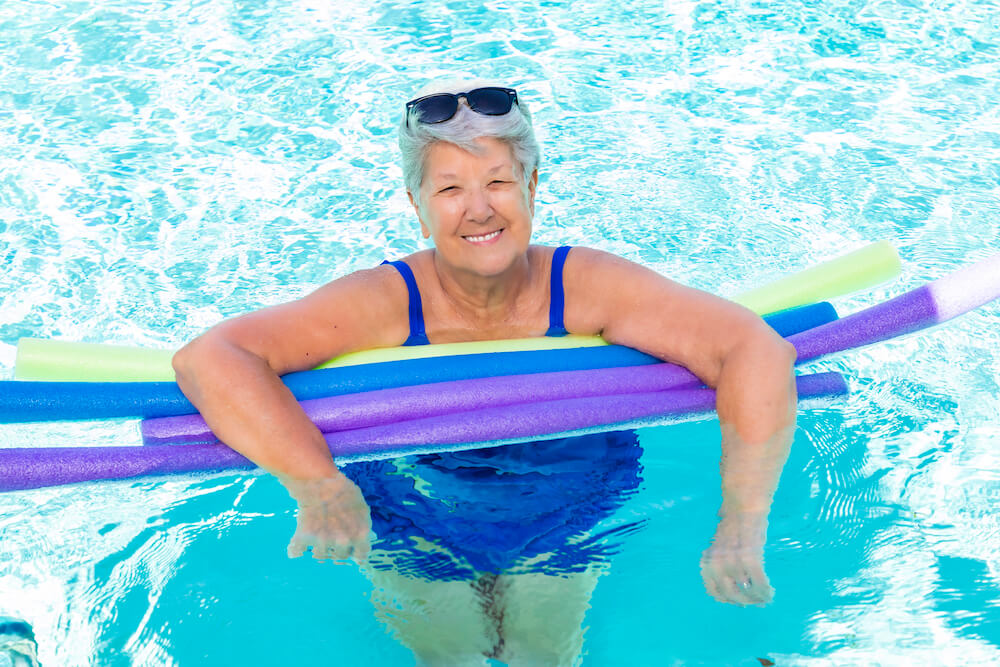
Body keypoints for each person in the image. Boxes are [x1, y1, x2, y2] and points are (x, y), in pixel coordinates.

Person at [172, 77, 797, 660]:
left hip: (565, 498)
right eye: (449, 189)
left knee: (541, 657)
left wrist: (740, 525)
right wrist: (319, 485)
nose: (479, 210)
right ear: (417, 205)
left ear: (531, 187)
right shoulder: (387, 303)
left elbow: (754, 350)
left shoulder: (585, 289)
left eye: (498, 182)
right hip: (411, 507)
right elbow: (212, 358)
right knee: (454, 659)